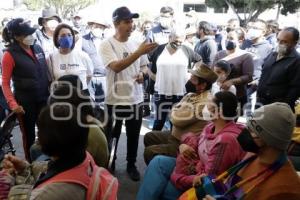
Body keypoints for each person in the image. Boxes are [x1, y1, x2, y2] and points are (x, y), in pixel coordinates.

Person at [137, 91, 246, 200]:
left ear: (218, 112)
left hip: (203, 185)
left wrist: (180, 178)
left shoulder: (225, 141)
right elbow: (198, 141)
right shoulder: (211, 126)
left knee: (161, 187)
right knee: (158, 161)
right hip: (195, 167)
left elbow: (208, 179)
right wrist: (183, 146)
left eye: (210, 104)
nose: (206, 107)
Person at [2, 105, 118, 199]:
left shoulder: (48, 195)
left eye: (39, 133)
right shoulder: (83, 156)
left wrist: (6, 178)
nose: (37, 137)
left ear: (46, 142)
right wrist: (25, 168)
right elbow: (49, 167)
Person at [99, 6, 158, 181]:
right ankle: (111, 162)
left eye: (132, 21)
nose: (131, 25)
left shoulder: (136, 42)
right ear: (116, 24)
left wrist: (142, 73)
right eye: (127, 21)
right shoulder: (106, 44)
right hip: (115, 99)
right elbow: (116, 66)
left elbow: (144, 66)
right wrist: (139, 52)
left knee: (133, 135)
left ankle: (131, 164)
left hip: (135, 98)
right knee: (112, 135)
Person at [202, 102, 300, 200]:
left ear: (268, 138)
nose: (244, 132)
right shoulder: (253, 156)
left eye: (251, 130)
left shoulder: (285, 189)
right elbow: (235, 188)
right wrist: (209, 182)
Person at [144, 63, 218, 165]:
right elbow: (174, 110)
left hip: (183, 143)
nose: (190, 81)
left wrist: (175, 112)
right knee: (149, 137)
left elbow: (176, 120)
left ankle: (164, 172)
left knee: (150, 152)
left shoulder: (204, 102)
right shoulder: (191, 95)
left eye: (193, 79)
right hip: (175, 136)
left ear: (203, 85)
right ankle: (158, 167)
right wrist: (175, 112)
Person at [1, 18, 50, 161]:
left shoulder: (38, 48)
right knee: (28, 136)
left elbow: (45, 73)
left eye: (31, 32)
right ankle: (30, 165)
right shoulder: (9, 55)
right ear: (16, 37)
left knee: (46, 132)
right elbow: (5, 83)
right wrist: (13, 104)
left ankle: (46, 161)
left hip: (43, 98)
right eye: (26, 34)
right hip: (25, 103)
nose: (31, 36)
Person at [149, 28, 202, 131]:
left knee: (175, 122)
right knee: (159, 122)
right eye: (175, 41)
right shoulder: (159, 49)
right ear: (169, 38)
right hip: (161, 92)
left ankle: (172, 145)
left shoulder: (186, 50)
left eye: (180, 42)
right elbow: (146, 63)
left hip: (179, 94)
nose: (177, 44)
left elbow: (199, 60)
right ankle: (153, 143)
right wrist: (153, 76)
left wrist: (192, 73)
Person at [257, 27, 300, 110]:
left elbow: (295, 89)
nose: (280, 43)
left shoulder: (297, 61)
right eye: (278, 40)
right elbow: (264, 72)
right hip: (260, 103)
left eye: (284, 42)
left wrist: (282, 107)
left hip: (277, 108)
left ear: (294, 43)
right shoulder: (273, 54)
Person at [213, 30, 253, 112]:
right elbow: (212, 71)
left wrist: (231, 82)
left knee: (231, 121)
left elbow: (248, 76)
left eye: (231, 38)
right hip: (218, 94)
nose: (228, 40)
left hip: (237, 95)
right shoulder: (219, 54)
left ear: (240, 41)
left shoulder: (246, 56)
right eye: (227, 37)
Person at [47, 23, 94, 95]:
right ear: (57, 38)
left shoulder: (83, 55)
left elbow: (89, 75)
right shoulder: (51, 57)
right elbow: (51, 79)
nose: (67, 38)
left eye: (69, 35)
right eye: (63, 35)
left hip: (81, 94)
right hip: (61, 95)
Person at [82, 17, 109, 102]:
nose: (97, 29)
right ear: (91, 27)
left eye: (100, 27)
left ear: (104, 29)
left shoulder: (109, 41)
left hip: (105, 77)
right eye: (95, 26)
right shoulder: (82, 40)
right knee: (90, 104)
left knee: (105, 104)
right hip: (89, 78)